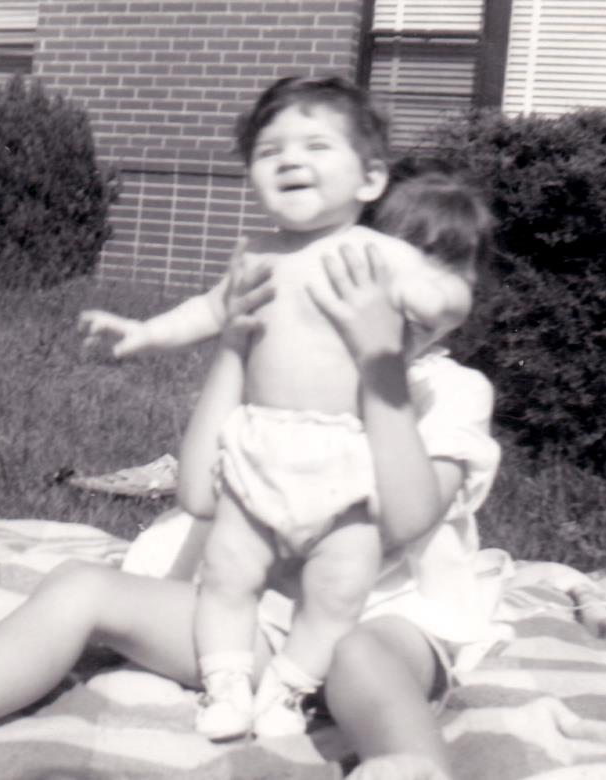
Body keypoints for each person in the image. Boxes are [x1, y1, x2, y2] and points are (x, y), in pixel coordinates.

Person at [0, 240, 505, 780]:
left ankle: (410, 766)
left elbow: (407, 522)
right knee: (80, 588)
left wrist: (376, 365)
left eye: (444, 276)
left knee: (362, 655)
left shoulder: (449, 390)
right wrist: (236, 351)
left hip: (382, 617)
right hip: (260, 626)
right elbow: (196, 494)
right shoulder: (285, 373)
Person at [81, 76, 493, 742]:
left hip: (345, 462)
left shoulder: (377, 254)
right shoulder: (254, 254)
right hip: (259, 448)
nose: (289, 160)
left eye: (314, 145)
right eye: (270, 150)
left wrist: (438, 296)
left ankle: (289, 687)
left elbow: (442, 293)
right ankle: (226, 682)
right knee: (225, 574)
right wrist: (147, 332)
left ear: (368, 180)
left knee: (337, 589)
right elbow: (210, 311)